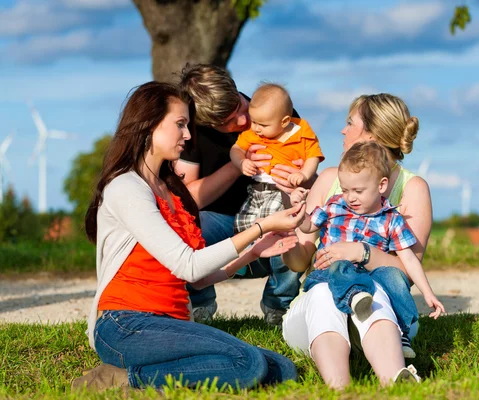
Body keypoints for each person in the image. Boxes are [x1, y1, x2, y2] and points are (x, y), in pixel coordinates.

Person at [71, 81, 305, 391]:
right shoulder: (126, 187)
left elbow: (197, 281)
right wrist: (260, 226)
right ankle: (121, 379)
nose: (188, 135)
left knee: (283, 369)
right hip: (126, 324)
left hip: (172, 323)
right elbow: (189, 266)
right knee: (248, 364)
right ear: (149, 125)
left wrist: (252, 253)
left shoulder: (172, 192)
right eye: (180, 124)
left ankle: (155, 375)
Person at [281, 93, 433, 389]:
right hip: (317, 311)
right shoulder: (328, 181)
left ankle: (395, 378)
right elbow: (300, 261)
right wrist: (289, 241)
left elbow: (406, 272)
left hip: (382, 315)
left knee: (371, 288)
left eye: (350, 122)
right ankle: (341, 388)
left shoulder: (412, 188)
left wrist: (362, 252)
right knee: (325, 291)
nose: (342, 130)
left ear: (372, 136)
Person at [177, 65, 308, 325]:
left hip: (273, 212)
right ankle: (200, 305)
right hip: (222, 222)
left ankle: (279, 307)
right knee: (184, 222)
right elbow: (187, 200)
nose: (242, 121)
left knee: (295, 224)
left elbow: (312, 177)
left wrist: (297, 178)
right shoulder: (191, 133)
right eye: (226, 122)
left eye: (239, 106)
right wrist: (238, 165)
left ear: (236, 89)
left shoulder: (275, 109)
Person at [291, 141, 444, 334]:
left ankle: (403, 328)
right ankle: (355, 297)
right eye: (345, 190)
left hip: (371, 277)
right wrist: (299, 211)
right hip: (330, 275)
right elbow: (308, 225)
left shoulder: (392, 219)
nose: (350, 197)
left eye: (358, 191)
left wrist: (428, 293)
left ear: (381, 185)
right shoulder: (335, 206)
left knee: (394, 275)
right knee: (341, 265)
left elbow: (409, 260)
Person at [230, 82, 324, 234]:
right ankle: (252, 254)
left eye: (263, 125)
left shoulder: (301, 132)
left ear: (285, 121)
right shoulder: (254, 134)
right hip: (256, 190)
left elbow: (313, 156)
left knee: (271, 225)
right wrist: (241, 162)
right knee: (242, 226)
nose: (256, 128)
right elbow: (236, 149)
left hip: (282, 190)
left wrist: (303, 174)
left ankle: (275, 250)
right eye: (254, 122)